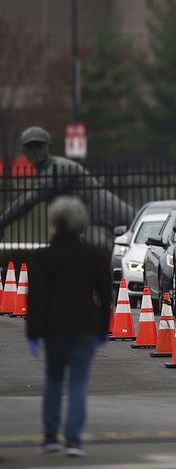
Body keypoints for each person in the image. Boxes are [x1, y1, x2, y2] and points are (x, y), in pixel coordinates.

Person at [26, 196, 111, 457]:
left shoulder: (42, 257)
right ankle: (73, 440)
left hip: (54, 327)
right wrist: (102, 327)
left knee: (53, 379)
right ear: (81, 223)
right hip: (85, 326)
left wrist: (33, 332)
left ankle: (50, 436)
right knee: (78, 382)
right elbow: (105, 294)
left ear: (54, 221)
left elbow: (36, 297)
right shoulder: (94, 255)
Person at [0, 127, 134, 252]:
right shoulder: (47, 170)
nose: (35, 150)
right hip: (91, 218)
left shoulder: (58, 168)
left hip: (107, 212)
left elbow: (31, 199)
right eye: (30, 147)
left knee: (124, 242)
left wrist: (3, 221)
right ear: (24, 152)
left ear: (50, 147)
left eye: (39, 146)